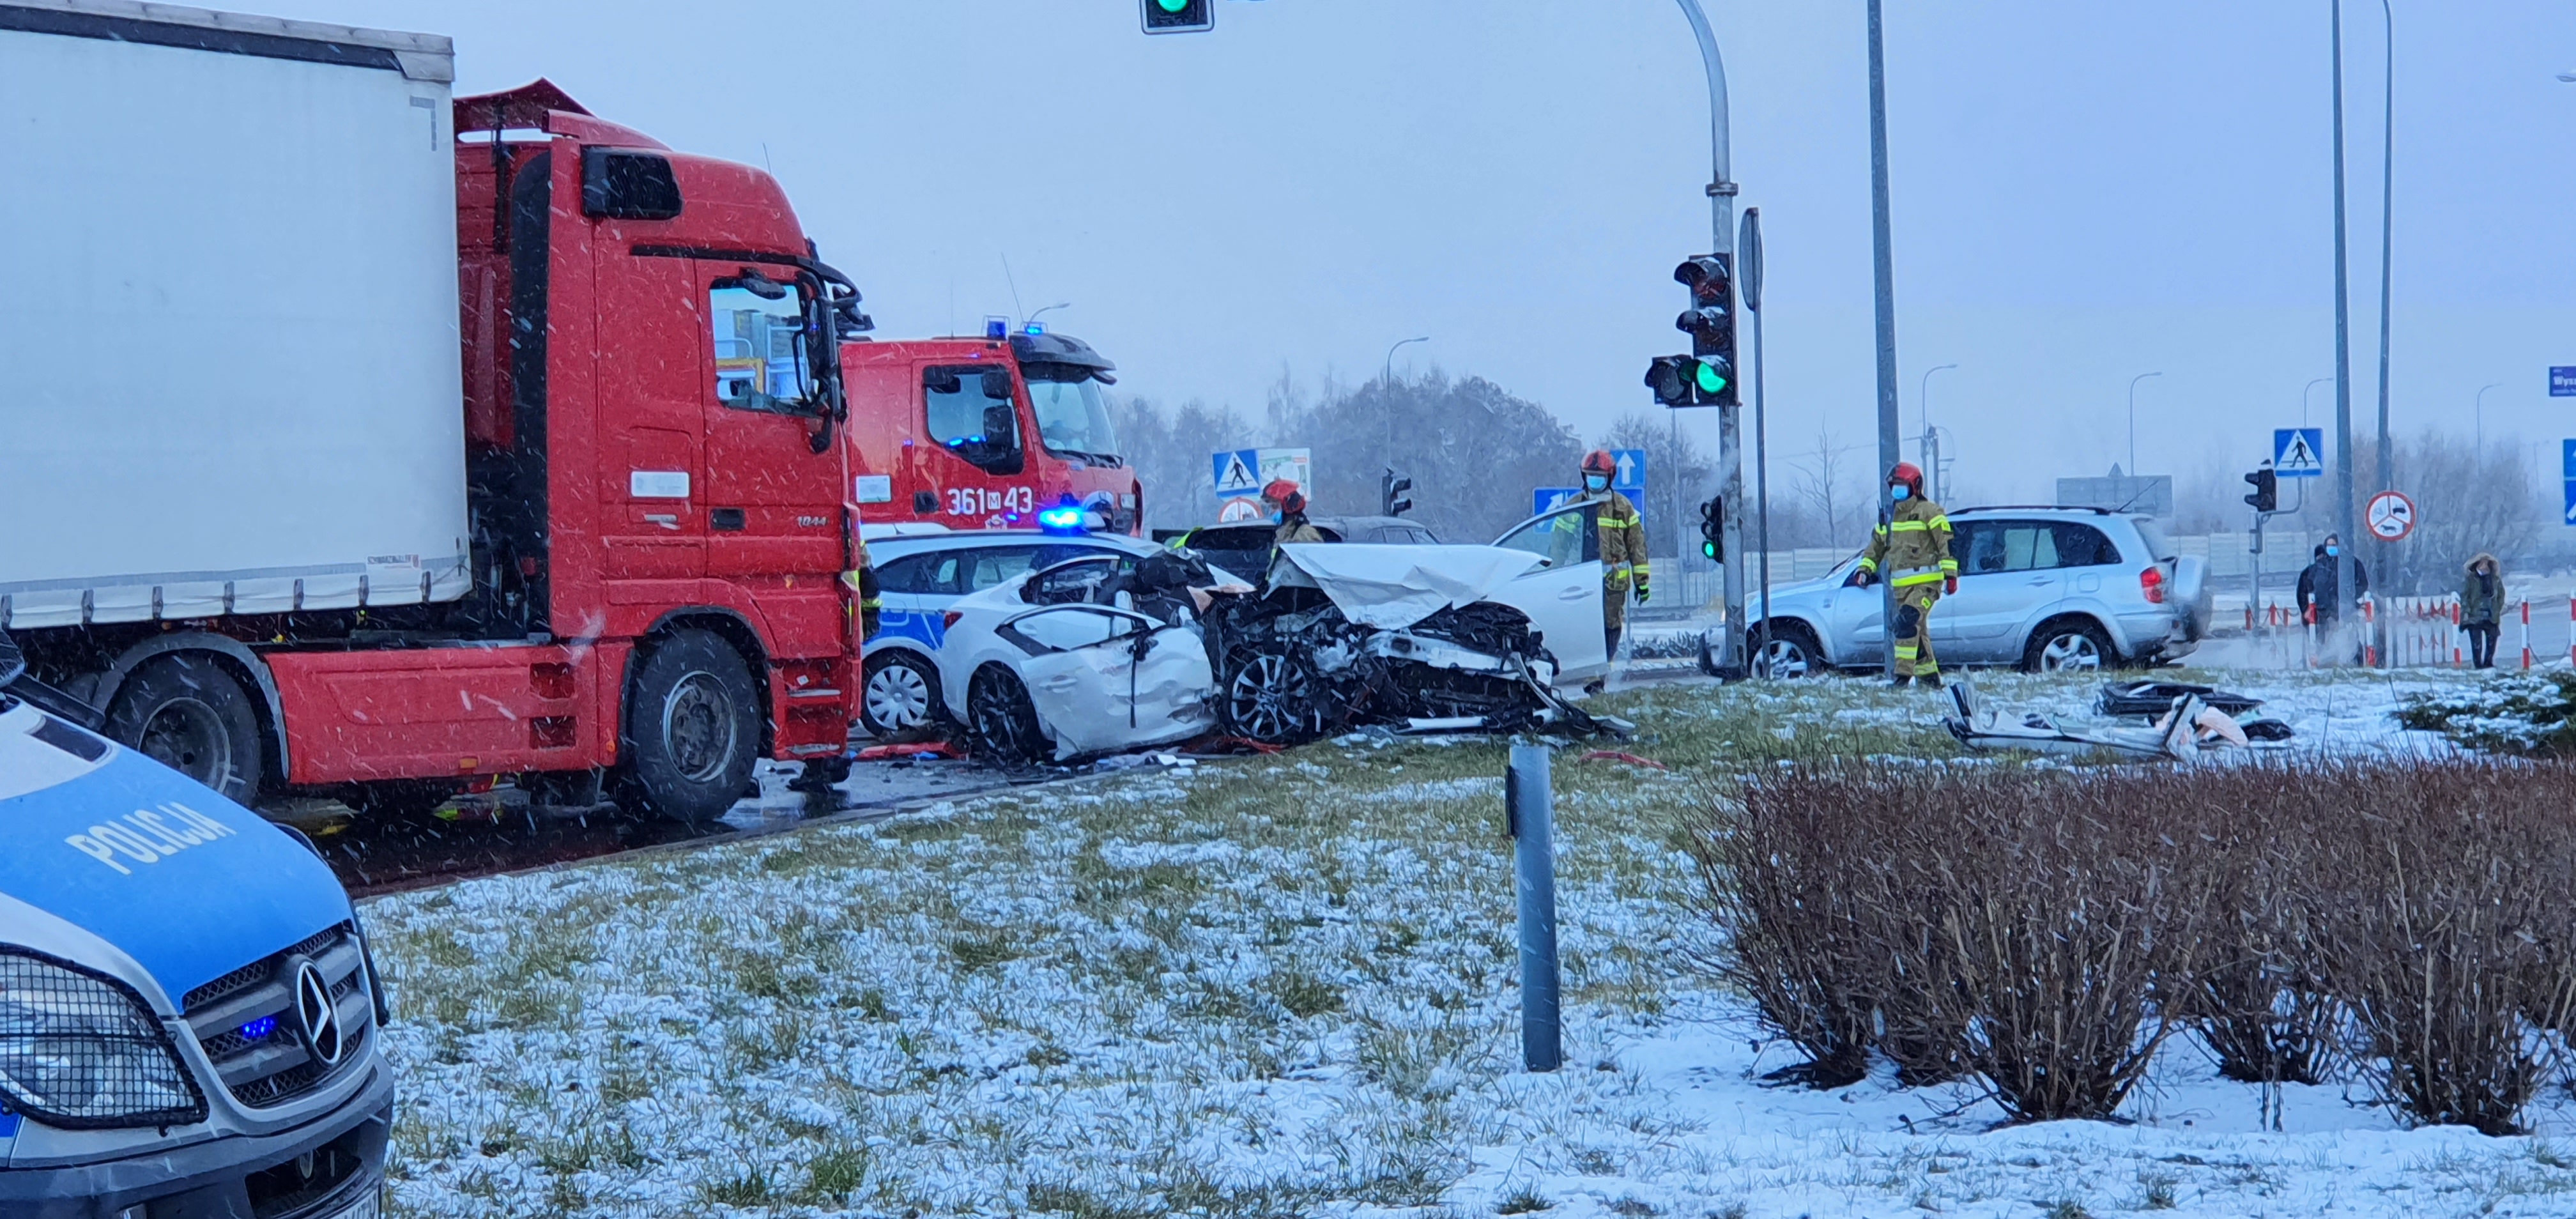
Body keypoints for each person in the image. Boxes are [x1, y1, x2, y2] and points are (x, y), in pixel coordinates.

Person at [1853, 461, 1956, 687]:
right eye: (1894, 485)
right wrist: (1865, 569)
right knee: (1917, 632)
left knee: (1906, 624)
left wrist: (1950, 575)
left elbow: (1945, 544)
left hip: (1927, 584)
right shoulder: (1889, 516)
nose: (1896, 490)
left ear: (1915, 486)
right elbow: (1876, 546)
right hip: (1901, 588)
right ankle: (1930, 679)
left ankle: (1902, 676)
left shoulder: (1930, 512)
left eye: (1901, 485)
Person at [1560, 450, 1648, 694]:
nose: (1595, 481)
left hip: (1613, 585)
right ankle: (1590, 677)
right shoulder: (1575, 506)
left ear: (1610, 477)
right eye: (1591, 476)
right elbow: (1560, 544)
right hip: (1581, 583)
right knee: (1587, 630)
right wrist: (1553, 573)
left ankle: (1598, 676)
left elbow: (1637, 547)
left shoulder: (1623, 508)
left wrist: (1643, 582)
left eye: (1599, 476)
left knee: (1610, 630)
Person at [2294, 535, 2370, 626]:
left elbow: (2362, 583)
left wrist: (2350, 596)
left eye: (2334, 545)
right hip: (2322, 610)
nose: (2331, 548)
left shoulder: (2352, 563)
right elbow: (2305, 587)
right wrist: (2306, 608)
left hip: (2346, 608)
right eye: (2329, 545)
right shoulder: (2318, 566)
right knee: (2323, 635)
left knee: (2347, 632)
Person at [2460, 553, 2504, 670]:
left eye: (2487, 563)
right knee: (2476, 643)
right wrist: (2467, 611)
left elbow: (2501, 596)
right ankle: (2478, 665)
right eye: (2482, 563)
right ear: (2476, 565)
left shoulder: (2495, 580)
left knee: (2492, 640)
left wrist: (2497, 609)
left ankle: (2488, 663)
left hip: (2491, 615)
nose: (2484, 566)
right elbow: (2465, 596)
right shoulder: (2471, 580)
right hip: (2474, 615)